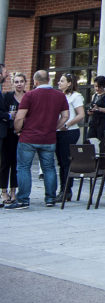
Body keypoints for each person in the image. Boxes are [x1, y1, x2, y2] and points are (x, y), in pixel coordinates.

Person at [9, 70, 70, 209]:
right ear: (49, 80)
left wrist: (18, 130)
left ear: (35, 81)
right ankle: (50, 198)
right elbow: (65, 116)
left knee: (24, 167)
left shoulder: (29, 95)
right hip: (49, 138)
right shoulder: (60, 95)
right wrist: (54, 127)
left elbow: (19, 117)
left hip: (28, 137)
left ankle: (23, 199)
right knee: (49, 168)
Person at [54, 73, 85, 201]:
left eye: (62, 81)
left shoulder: (75, 96)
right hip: (58, 131)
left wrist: (67, 124)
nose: (59, 83)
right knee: (61, 162)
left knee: (66, 162)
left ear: (69, 83)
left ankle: (66, 190)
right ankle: (63, 189)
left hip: (69, 131)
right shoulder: (59, 96)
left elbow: (81, 114)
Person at [1, 73, 28, 205]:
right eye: (16, 81)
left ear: (25, 83)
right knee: (5, 163)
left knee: (17, 164)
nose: (19, 84)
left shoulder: (28, 97)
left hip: (22, 134)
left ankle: (13, 191)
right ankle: (4, 191)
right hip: (8, 134)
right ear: (13, 83)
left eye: (21, 81)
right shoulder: (7, 97)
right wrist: (9, 116)